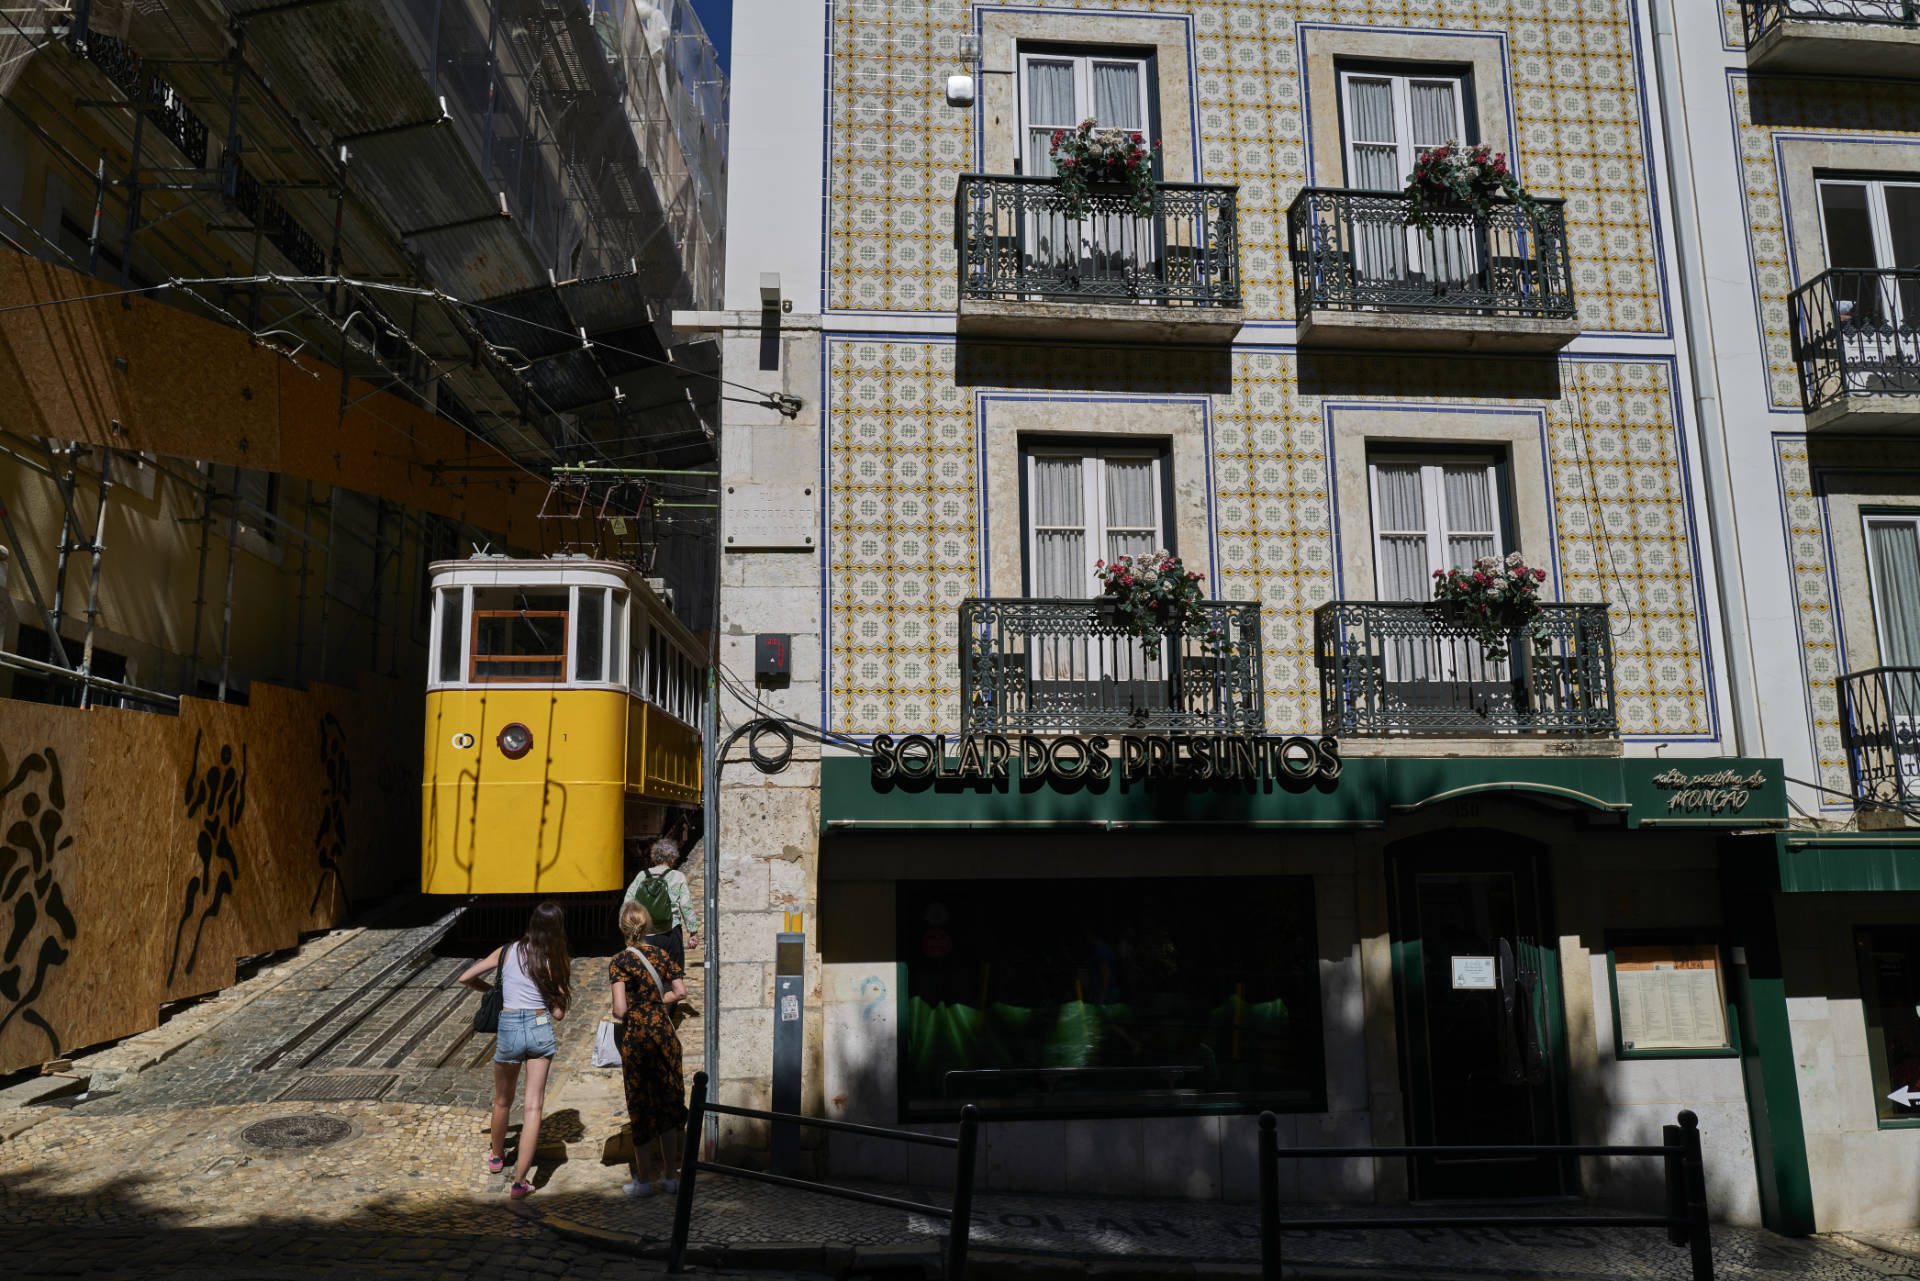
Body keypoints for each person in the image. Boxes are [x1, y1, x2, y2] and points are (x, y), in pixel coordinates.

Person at [459, 900, 572, 1199]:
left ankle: (497, 1157)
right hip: (538, 1026)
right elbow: (558, 1014)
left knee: (502, 1100)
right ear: (557, 929)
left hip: (508, 1025)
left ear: (532, 924)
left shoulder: (507, 951)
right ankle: (520, 1183)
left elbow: (465, 977)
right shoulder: (556, 959)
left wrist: (493, 990)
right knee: (533, 1105)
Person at [610, 898, 688, 1197]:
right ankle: (670, 1176)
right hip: (664, 1035)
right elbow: (680, 991)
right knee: (668, 1101)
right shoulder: (661, 954)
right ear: (647, 926)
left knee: (641, 1105)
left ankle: (643, 1180)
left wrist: (637, 1004)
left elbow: (619, 1010)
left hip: (638, 1038)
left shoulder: (619, 961)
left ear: (622, 927)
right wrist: (657, 1001)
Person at [623, 834, 698, 970]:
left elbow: (627, 904)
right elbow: (686, 906)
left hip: (645, 934)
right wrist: (693, 932)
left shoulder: (642, 876)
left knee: (648, 976)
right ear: (673, 858)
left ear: (654, 857)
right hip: (670, 933)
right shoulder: (677, 876)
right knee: (673, 977)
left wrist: (628, 933)